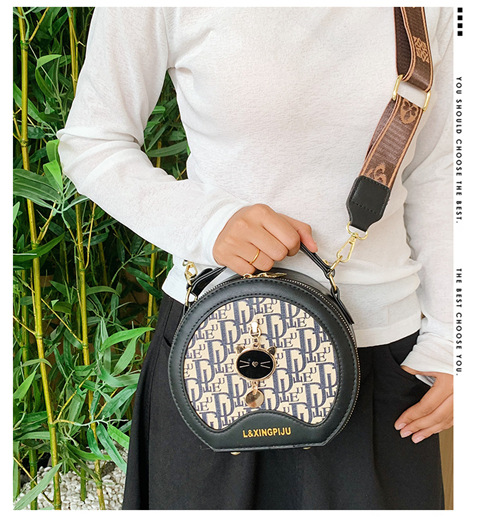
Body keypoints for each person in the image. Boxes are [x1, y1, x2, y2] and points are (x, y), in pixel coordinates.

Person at [57, 7, 453, 510]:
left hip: (382, 356)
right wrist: (209, 224)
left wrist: (454, 339)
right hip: (213, 350)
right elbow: (93, 141)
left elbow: (443, 171)